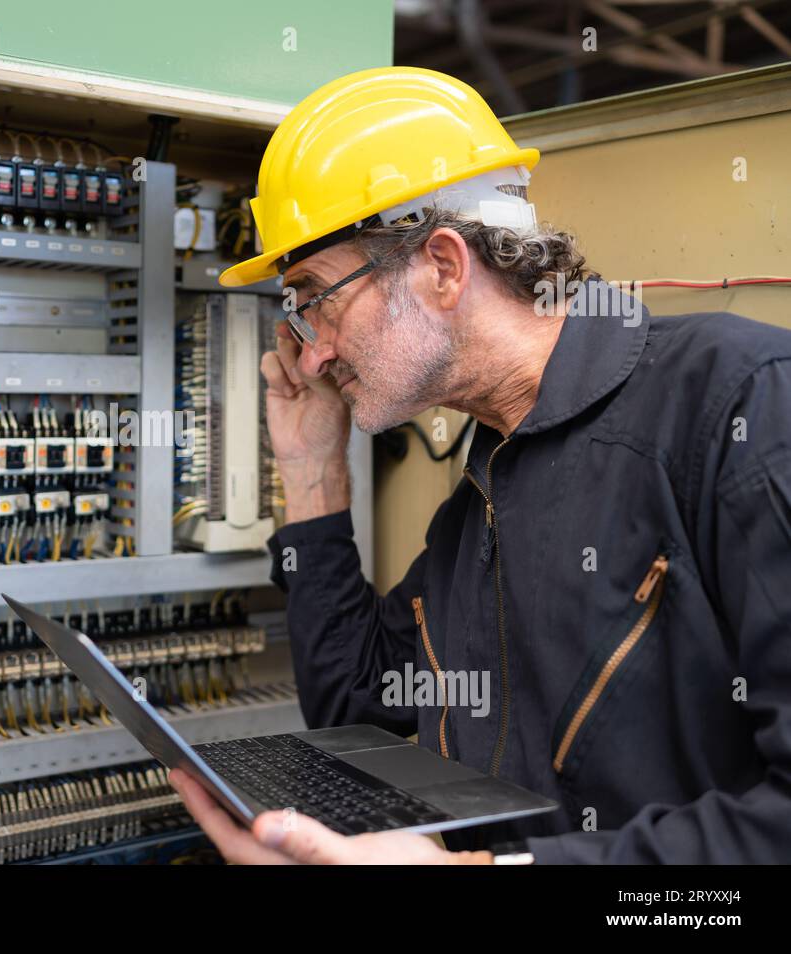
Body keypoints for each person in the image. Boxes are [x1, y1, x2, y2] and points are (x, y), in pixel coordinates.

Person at [168, 66, 791, 864]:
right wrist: (312, 471)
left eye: (316, 297)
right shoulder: (483, 488)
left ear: (443, 267)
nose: (313, 353)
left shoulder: (739, 403)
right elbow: (359, 698)